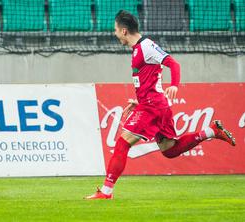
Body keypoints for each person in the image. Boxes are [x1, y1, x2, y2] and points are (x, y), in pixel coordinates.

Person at [85, 10, 236, 200]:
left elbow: (174, 64)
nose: (114, 33)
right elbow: (150, 80)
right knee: (170, 150)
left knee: (122, 143)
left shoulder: (146, 46)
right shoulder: (137, 50)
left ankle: (106, 192)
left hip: (152, 107)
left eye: (115, 30)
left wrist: (174, 85)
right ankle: (211, 131)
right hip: (152, 105)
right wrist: (138, 101)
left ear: (124, 31)